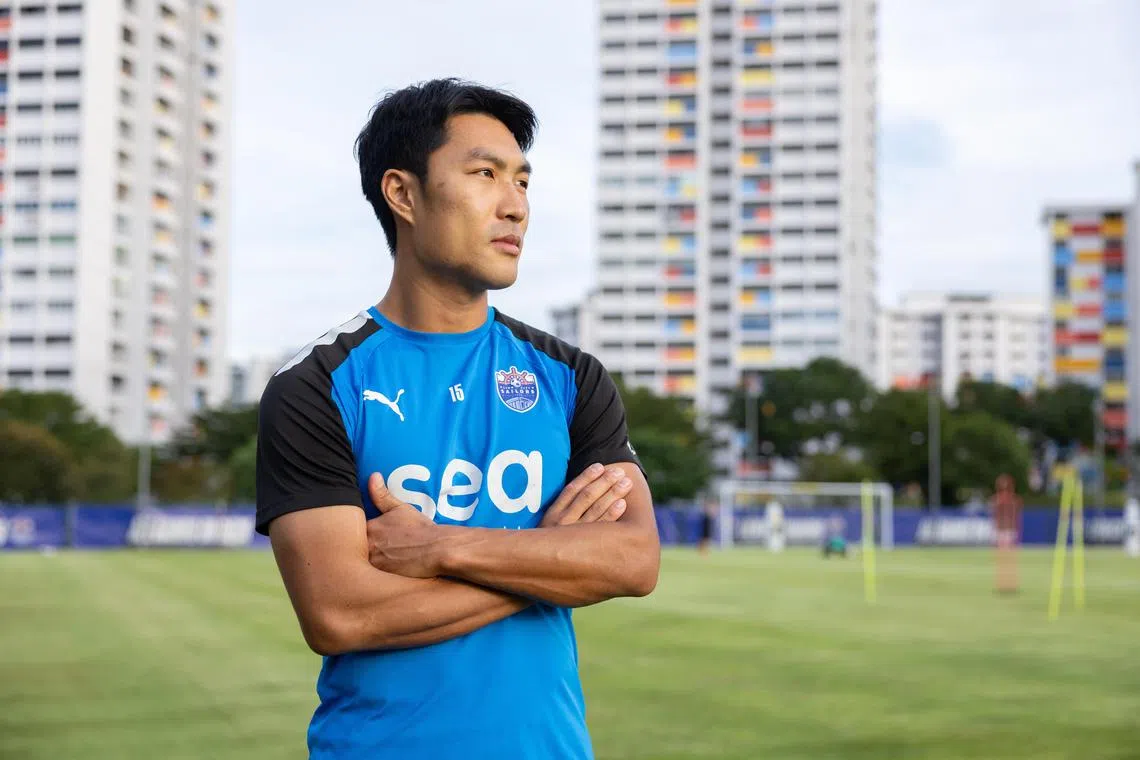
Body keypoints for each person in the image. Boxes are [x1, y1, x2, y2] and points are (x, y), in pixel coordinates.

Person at [255, 79, 661, 759]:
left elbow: (634, 560)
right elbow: (339, 613)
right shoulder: (315, 386)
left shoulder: (570, 376)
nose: (516, 206)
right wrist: (550, 553)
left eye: (523, 182)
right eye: (485, 175)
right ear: (403, 194)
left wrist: (443, 547)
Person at [991, 473, 1022, 594]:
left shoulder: (1011, 501)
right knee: (1004, 560)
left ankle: (1009, 584)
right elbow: (997, 517)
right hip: (1003, 531)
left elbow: (1015, 517)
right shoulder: (1000, 500)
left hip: (1008, 531)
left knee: (1008, 560)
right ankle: (1004, 584)